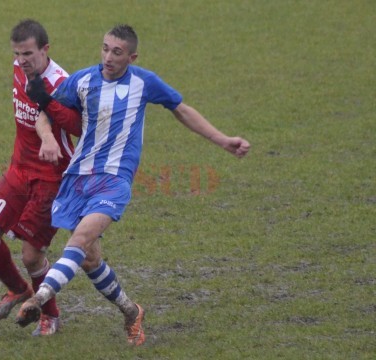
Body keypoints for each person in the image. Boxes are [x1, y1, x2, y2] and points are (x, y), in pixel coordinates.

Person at [15, 24, 251, 345]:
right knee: (89, 259)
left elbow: (181, 109)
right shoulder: (83, 80)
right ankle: (130, 310)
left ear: (131, 56)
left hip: (114, 181)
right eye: (105, 48)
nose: (108, 57)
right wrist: (47, 139)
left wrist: (223, 140)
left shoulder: (143, 82)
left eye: (117, 52)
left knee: (80, 240)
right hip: (78, 178)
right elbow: (45, 113)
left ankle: (39, 299)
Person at [0, 19, 81, 337]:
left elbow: (79, 127)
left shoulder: (63, 83)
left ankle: (51, 316)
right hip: (19, 170)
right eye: (18, 54)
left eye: (29, 54)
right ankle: (18, 290)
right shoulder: (18, 67)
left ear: (45, 49)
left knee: (33, 255)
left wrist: (48, 133)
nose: (23, 60)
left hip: (52, 177)